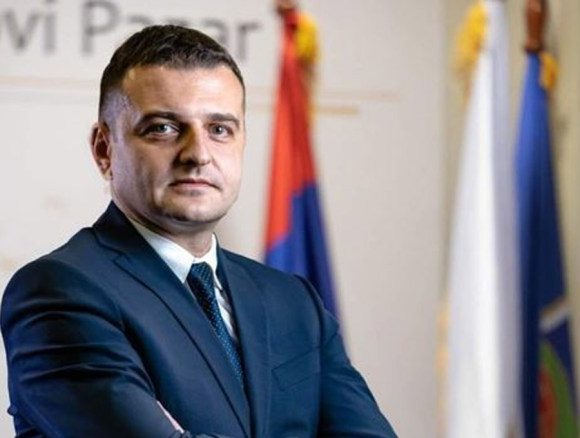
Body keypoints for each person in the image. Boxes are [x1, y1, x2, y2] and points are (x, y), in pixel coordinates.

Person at [1, 25, 397, 437]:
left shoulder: (293, 302)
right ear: (104, 149)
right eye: (163, 128)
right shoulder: (58, 291)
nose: (198, 154)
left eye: (219, 129)